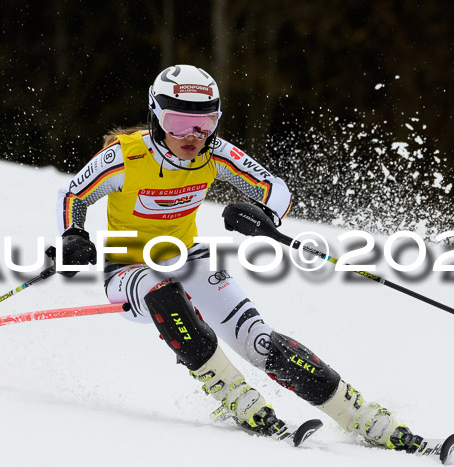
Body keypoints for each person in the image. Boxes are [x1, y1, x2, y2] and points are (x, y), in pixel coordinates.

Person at [54, 64, 431, 452]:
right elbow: (73, 195)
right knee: (163, 291)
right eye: (178, 121)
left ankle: (360, 416)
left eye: (205, 123)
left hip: (189, 259)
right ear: (155, 114)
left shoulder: (214, 153)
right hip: (129, 271)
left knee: (260, 341)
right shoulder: (126, 156)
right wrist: (73, 235)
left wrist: (264, 216)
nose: (192, 136)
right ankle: (234, 394)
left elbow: (274, 188)